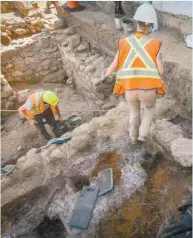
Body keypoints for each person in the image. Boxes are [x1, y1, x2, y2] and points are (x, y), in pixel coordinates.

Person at [105, 3, 166, 144]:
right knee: (149, 109)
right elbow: (161, 71)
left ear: (136, 23)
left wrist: (106, 75)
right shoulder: (155, 44)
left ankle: (133, 138)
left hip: (130, 90)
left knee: (134, 112)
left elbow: (113, 65)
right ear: (150, 26)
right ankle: (143, 135)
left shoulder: (123, 42)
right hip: (148, 90)